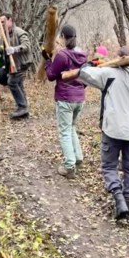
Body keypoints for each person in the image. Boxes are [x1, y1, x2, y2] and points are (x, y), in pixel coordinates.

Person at [76, 46, 129, 220]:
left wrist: (89, 64)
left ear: (119, 58)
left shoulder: (108, 73)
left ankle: (119, 198)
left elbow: (84, 74)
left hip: (112, 130)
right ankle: (128, 205)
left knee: (109, 166)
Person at [44, 25, 88, 177]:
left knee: (64, 132)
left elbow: (51, 75)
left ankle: (69, 166)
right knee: (72, 128)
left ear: (63, 36)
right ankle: (78, 157)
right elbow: (86, 78)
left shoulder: (63, 55)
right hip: (80, 98)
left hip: (65, 98)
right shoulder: (83, 55)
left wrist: (47, 61)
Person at [0, 13, 34, 119]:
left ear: (10, 20)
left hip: (21, 63)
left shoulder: (19, 32)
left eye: (3, 22)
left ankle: (22, 107)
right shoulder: (6, 34)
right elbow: (6, 51)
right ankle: (23, 110)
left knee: (12, 82)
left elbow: (26, 45)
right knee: (19, 85)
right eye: (0, 22)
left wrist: (15, 49)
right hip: (13, 64)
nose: (1, 24)